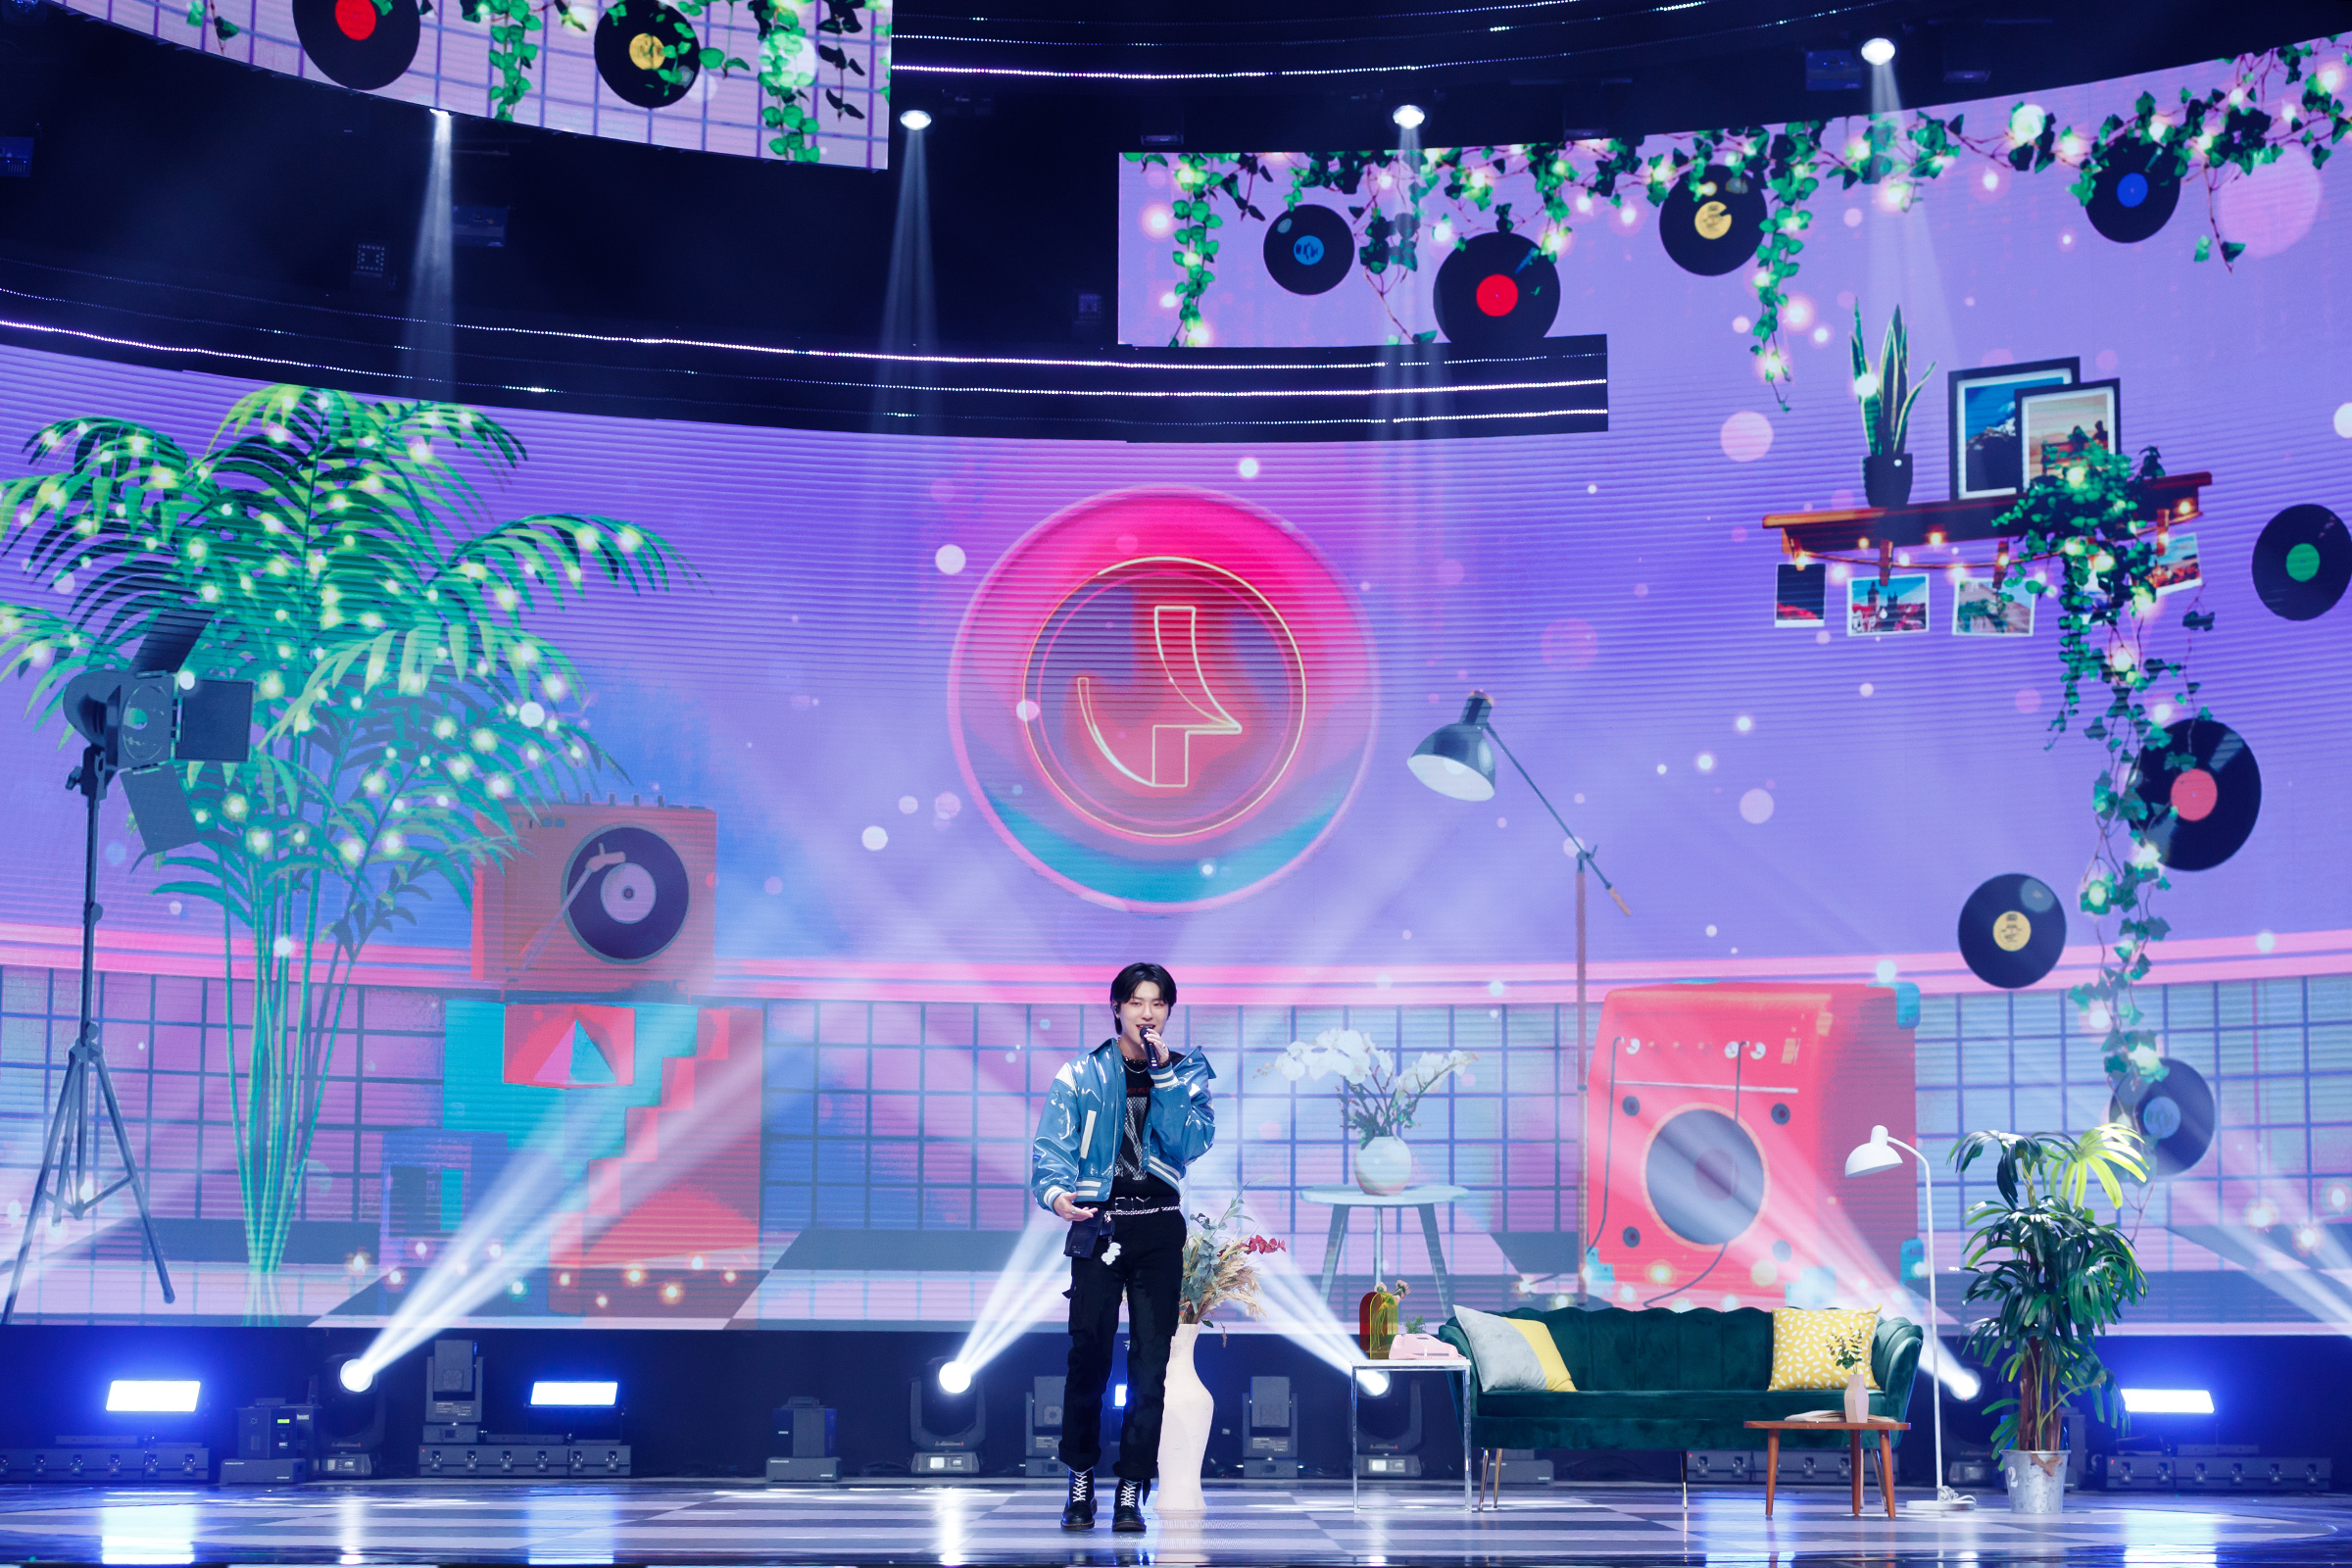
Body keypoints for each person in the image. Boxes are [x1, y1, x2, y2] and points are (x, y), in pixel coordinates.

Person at [1030, 962, 1215, 1533]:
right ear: (1117, 1008)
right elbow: (1051, 1146)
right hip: (1099, 1223)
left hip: (1157, 1227)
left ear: (1169, 1011)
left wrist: (1164, 1076)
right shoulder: (1080, 1074)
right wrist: (1057, 1195)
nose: (1147, 1013)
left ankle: (1132, 1488)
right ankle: (1081, 1479)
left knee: (1151, 1364)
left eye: (1157, 1003)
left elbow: (1189, 1142)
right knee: (1088, 1355)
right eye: (1136, 1002)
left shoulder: (1186, 1072)